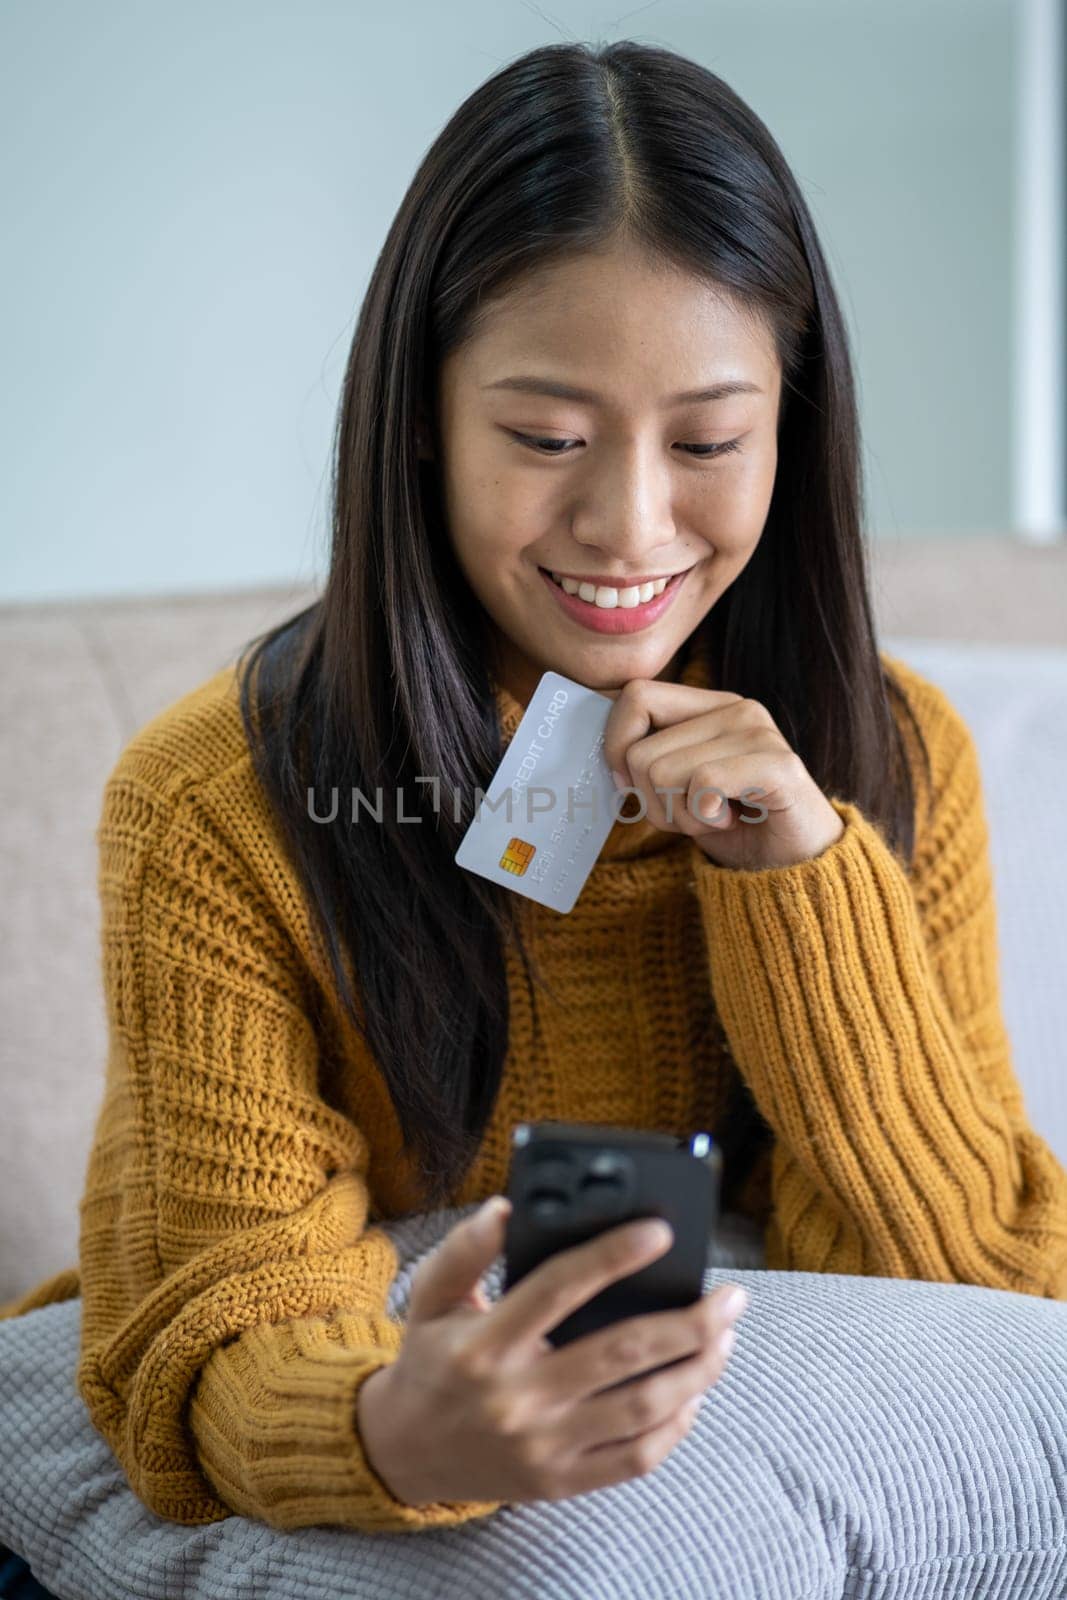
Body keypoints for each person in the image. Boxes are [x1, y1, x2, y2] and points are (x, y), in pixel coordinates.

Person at [3, 37, 1066, 1545]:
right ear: (423, 418)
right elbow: (227, 1308)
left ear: (792, 428)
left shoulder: (893, 755)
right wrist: (392, 1426)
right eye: (547, 438)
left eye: (707, 441)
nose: (630, 524)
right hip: (356, 1407)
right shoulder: (217, 804)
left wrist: (803, 887)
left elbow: (987, 1302)